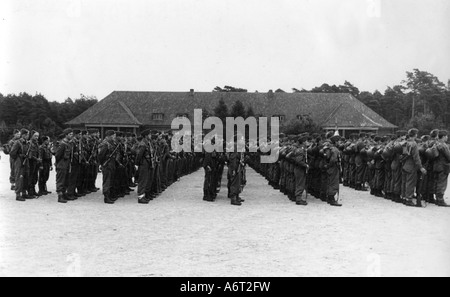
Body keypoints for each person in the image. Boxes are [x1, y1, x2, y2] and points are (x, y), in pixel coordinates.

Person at [401, 128, 427, 207]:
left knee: (405, 182)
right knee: (410, 183)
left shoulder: (405, 142)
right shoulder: (414, 144)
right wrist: (421, 167)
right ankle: (409, 199)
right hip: (411, 166)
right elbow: (416, 157)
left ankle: (404, 198)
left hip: (405, 165)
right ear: (415, 135)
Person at [10, 129, 30, 201]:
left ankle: (24, 193)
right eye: (27, 134)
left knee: (26, 177)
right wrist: (19, 157)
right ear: (24, 135)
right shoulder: (18, 142)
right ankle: (18, 194)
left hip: (25, 162)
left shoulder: (27, 143)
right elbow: (12, 153)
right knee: (19, 178)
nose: (28, 136)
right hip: (19, 162)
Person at [98, 130, 118, 204]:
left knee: (111, 180)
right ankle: (106, 197)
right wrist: (102, 163)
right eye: (113, 136)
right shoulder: (105, 144)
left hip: (111, 164)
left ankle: (110, 195)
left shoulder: (111, 143)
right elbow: (101, 155)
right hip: (107, 165)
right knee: (107, 181)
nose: (114, 137)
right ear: (109, 136)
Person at [55, 128, 74, 203]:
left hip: (67, 164)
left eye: (72, 134)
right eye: (70, 134)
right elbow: (57, 155)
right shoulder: (62, 144)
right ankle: (60, 196)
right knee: (61, 181)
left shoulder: (69, 143)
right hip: (62, 164)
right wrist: (59, 164)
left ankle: (64, 193)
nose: (71, 136)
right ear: (66, 135)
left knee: (66, 180)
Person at [135, 129, 154, 204]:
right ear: (146, 136)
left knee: (146, 180)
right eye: (149, 135)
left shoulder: (147, 143)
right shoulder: (143, 144)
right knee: (142, 181)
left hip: (147, 163)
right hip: (143, 164)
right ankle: (140, 197)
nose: (150, 136)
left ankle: (143, 196)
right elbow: (139, 155)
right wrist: (136, 164)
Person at [433, 130, 450, 207]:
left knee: (437, 182)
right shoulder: (444, 145)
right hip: (443, 167)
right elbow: (448, 156)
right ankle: (440, 200)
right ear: (443, 137)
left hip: (436, 166)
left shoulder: (435, 144)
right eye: (446, 136)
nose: (447, 137)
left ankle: (437, 199)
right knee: (442, 183)